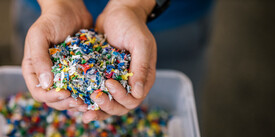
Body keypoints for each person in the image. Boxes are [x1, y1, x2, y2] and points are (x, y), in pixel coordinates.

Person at [14, 0, 215, 123]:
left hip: (169, 20)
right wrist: (57, 3)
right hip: (46, 9)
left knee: (174, 109)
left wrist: (134, 5)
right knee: (44, 94)